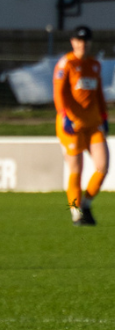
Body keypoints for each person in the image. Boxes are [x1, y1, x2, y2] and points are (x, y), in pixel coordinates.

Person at [54, 24, 108, 226]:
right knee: (76, 169)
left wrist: (103, 116)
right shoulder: (66, 64)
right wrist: (64, 115)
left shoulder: (94, 64)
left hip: (93, 124)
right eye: (79, 40)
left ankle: (85, 204)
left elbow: (98, 93)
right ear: (72, 42)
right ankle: (76, 213)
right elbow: (58, 92)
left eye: (85, 40)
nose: (82, 44)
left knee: (102, 166)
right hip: (72, 125)